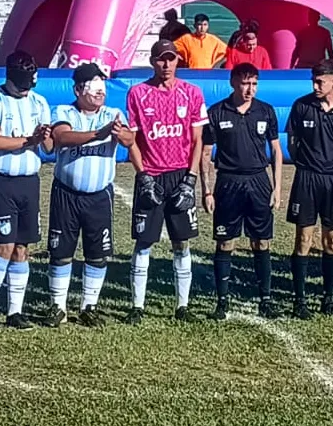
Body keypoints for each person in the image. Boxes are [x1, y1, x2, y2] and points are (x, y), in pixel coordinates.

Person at [43, 63, 134, 328]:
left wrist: (122, 133)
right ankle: (58, 306)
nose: (99, 91)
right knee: (61, 252)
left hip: (98, 196)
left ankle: (88, 305)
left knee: (97, 253)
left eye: (101, 85)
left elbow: (128, 139)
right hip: (67, 194)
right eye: (93, 86)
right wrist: (99, 134)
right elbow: (62, 136)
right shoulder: (63, 110)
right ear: (78, 89)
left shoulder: (113, 113)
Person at [125, 39, 208, 324]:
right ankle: (137, 306)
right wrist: (142, 175)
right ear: (152, 61)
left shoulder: (192, 93)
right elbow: (132, 140)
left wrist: (191, 179)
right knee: (144, 241)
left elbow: (198, 140)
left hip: (179, 175)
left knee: (181, 242)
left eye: (171, 59)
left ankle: (182, 306)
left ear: (178, 61)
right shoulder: (138, 93)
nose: (166, 64)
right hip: (151, 176)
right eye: (161, 59)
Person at [0, 51, 53, 333]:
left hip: (29, 180)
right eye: (26, 80)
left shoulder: (39, 102)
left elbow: (49, 148)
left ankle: (14, 311)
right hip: (0, 179)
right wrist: (29, 139)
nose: (30, 86)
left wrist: (45, 137)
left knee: (22, 247)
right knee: (4, 245)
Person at [200, 63, 283, 320]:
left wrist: (277, 187)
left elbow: (276, 150)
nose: (250, 89)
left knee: (261, 241)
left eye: (254, 84)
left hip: (258, 182)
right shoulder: (216, 112)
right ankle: (222, 301)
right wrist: (207, 190)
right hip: (229, 183)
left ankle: (265, 300)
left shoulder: (266, 111)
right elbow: (205, 154)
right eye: (246, 83)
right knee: (226, 241)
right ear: (233, 83)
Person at [286, 59, 333, 318]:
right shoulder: (301, 106)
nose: (315, 85)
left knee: (332, 239)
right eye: (313, 80)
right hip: (306, 179)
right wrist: (307, 164)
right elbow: (293, 144)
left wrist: (330, 165)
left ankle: (329, 297)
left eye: (320, 81)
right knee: (304, 238)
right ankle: (300, 299)